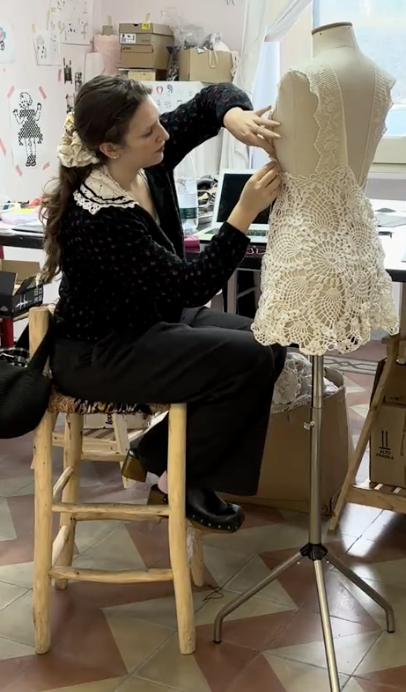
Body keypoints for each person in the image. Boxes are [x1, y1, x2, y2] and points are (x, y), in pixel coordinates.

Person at [42, 75, 285, 533]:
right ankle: (184, 479)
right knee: (248, 359)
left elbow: (210, 100)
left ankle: (157, 456)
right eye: (149, 131)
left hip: (150, 322)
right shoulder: (99, 217)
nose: (164, 135)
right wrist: (244, 211)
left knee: (270, 340)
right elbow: (191, 287)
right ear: (111, 148)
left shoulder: (148, 161)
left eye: (158, 123)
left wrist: (234, 117)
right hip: (100, 351)